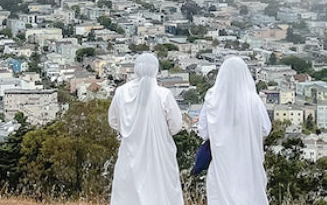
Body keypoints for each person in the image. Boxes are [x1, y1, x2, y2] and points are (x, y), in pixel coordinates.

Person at [108, 52, 185, 205]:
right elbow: (176, 125)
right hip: (159, 154)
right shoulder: (163, 94)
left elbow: (113, 121)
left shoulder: (121, 92)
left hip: (129, 152)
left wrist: (129, 130)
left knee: (128, 195)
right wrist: (160, 133)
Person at [199, 56, 272, 205]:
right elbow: (265, 128)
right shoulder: (253, 100)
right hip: (249, 162)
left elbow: (203, 131)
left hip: (221, 164)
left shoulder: (212, 98)